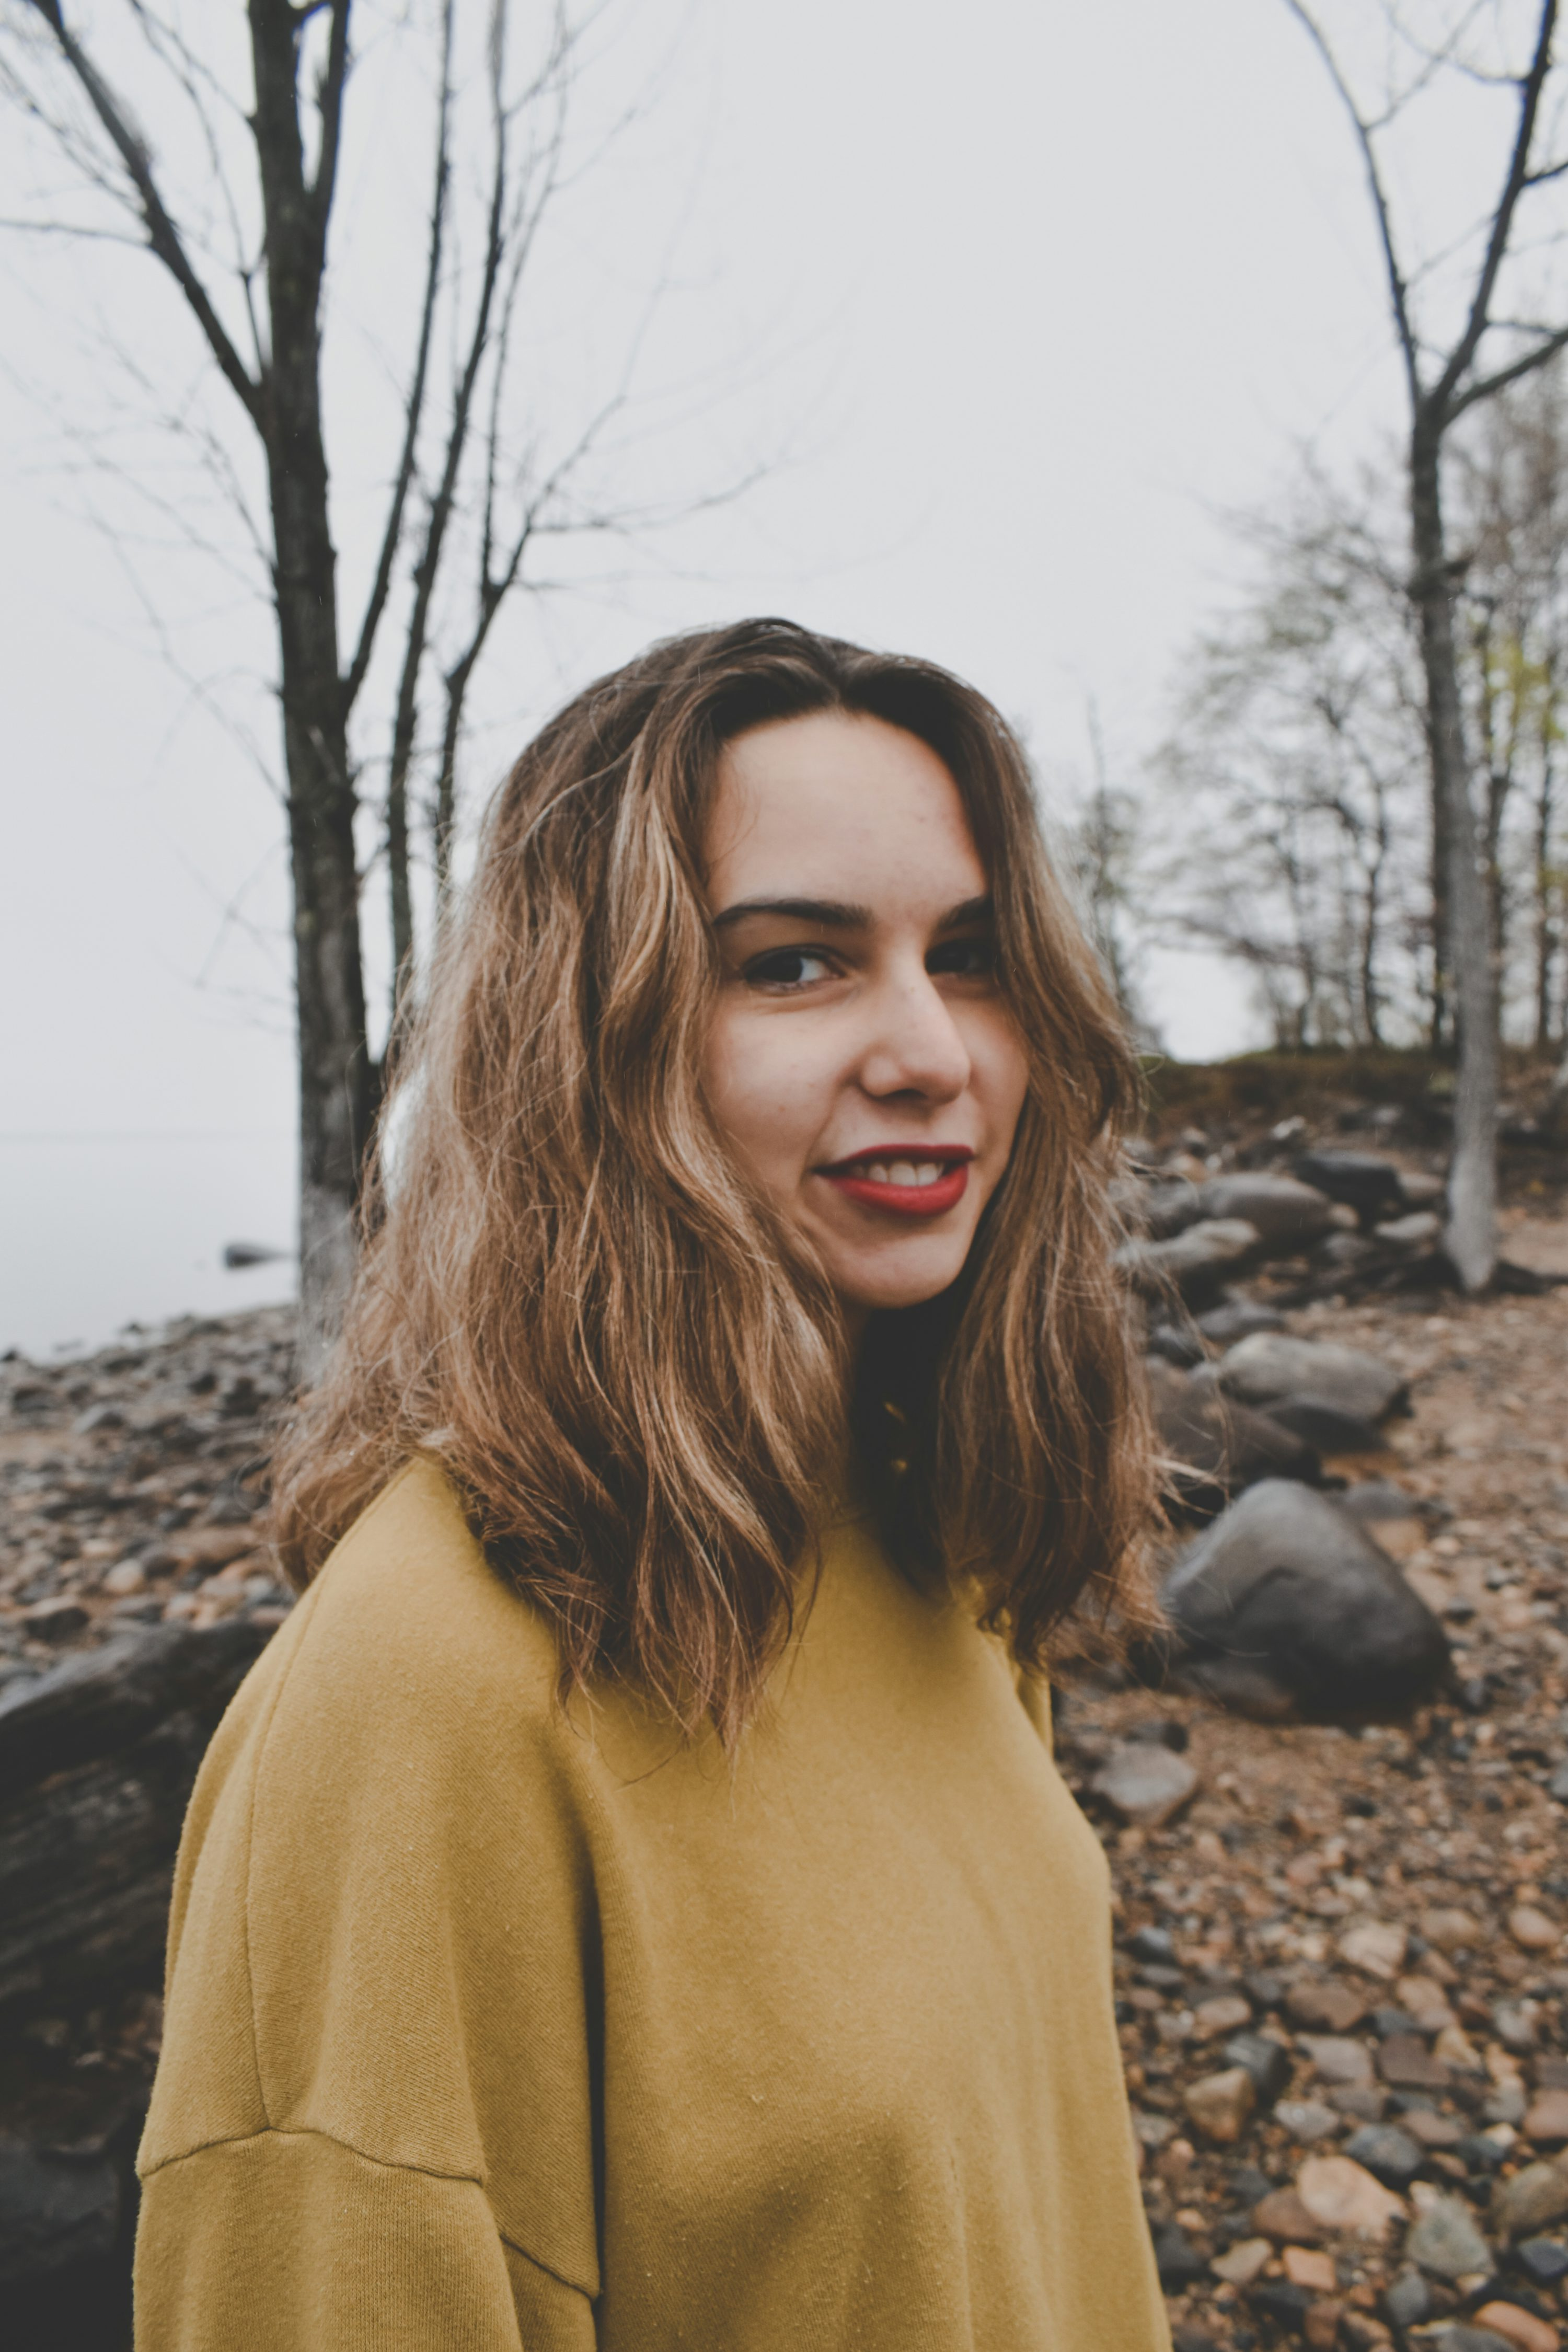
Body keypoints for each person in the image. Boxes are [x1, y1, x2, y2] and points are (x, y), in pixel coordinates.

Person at [133, 618, 1170, 2350]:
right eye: (794, 964)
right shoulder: (427, 1701)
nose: (934, 1050)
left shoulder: (933, 1527)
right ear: (583, 1043)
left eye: (973, 954)